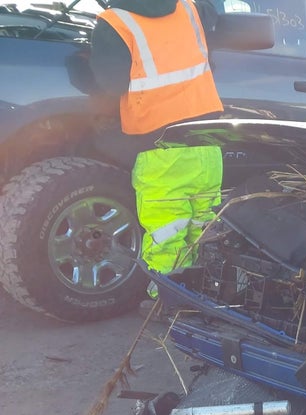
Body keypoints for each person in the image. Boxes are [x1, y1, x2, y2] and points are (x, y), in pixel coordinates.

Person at [90, 0, 225, 314]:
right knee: (203, 225)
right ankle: (209, 297)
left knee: (168, 232)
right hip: (207, 145)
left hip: (161, 148)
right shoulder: (191, 10)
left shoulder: (115, 22)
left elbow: (111, 83)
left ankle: (169, 304)